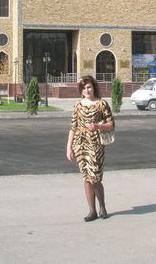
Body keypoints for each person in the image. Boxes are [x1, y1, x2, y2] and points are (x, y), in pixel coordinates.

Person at [66, 75, 115, 222]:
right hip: (80, 144)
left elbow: (111, 124)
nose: (87, 90)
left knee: (95, 178)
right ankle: (92, 211)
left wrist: (97, 126)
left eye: (89, 87)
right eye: (84, 88)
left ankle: (102, 207)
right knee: (86, 178)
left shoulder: (102, 104)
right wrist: (69, 147)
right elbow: (73, 127)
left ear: (94, 87)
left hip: (95, 144)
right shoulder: (78, 105)